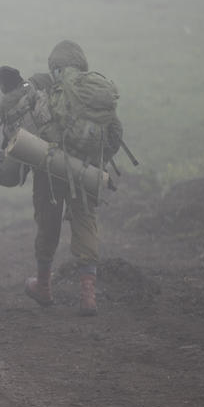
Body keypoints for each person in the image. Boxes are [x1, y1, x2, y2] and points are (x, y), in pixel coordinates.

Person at [22, 40, 122, 316]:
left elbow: (37, 132)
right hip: (87, 171)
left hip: (52, 171)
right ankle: (88, 296)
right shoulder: (95, 93)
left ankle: (43, 286)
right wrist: (95, 160)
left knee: (47, 223)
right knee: (86, 222)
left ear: (55, 67)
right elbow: (114, 135)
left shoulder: (54, 91)